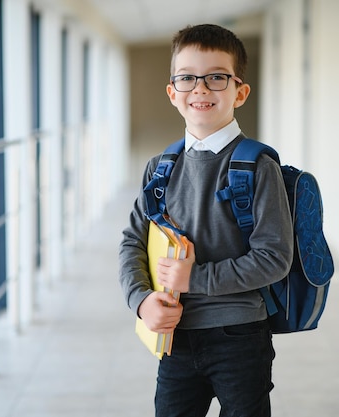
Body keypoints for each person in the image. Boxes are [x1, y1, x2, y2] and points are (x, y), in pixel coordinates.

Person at [118, 23, 294, 417]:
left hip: (240, 336)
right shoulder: (160, 168)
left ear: (240, 91)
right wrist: (141, 300)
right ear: (172, 93)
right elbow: (133, 240)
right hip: (174, 338)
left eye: (216, 77)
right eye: (187, 78)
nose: (200, 88)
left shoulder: (256, 166)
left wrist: (193, 279)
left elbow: (273, 258)